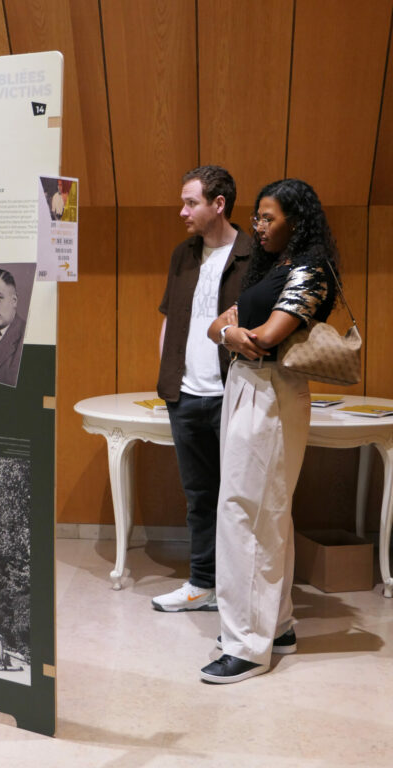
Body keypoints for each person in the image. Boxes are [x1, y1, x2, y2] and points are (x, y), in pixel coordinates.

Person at [201, 178, 339, 684]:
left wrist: (232, 332)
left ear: (295, 221)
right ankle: (276, 627)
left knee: (248, 515)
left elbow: (266, 336)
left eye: (268, 218)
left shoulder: (311, 269)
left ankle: (247, 646)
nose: (257, 226)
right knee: (264, 512)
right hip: (249, 384)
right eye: (257, 217)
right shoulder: (277, 267)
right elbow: (217, 326)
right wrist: (229, 332)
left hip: (271, 389)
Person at [153, 166, 252, 612]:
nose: (182, 211)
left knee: (241, 499)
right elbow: (171, 319)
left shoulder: (252, 255)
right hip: (186, 395)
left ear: (219, 204)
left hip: (235, 395)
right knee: (199, 498)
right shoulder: (183, 254)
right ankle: (202, 584)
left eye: (191, 202)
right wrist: (168, 378)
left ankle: (240, 592)